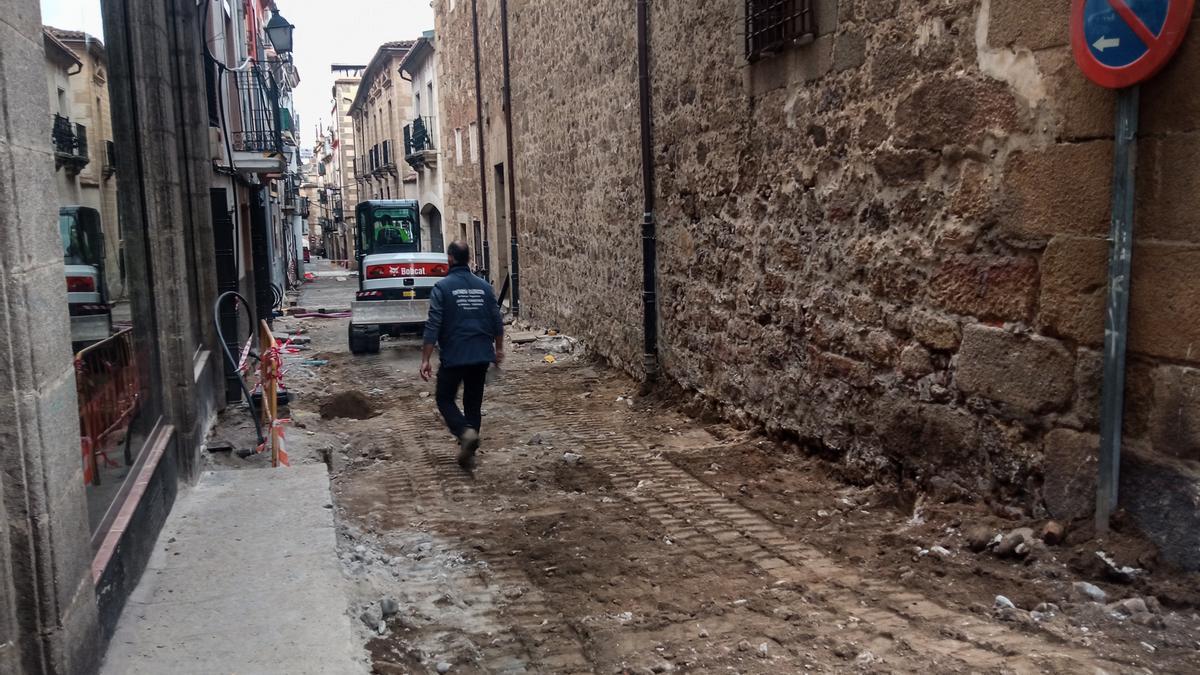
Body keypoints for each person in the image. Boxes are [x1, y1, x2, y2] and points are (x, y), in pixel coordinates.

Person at [420, 241, 505, 469]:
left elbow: (433, 324)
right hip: (480, 355)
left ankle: (464, 433)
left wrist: (426, 358)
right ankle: (470, 450)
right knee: (473, 404)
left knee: (444, 398)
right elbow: (497, 321)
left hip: (455, 355)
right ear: (469, 259)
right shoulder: (484, 287)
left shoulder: (442, 288)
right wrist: (498, 349)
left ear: (449, 259)